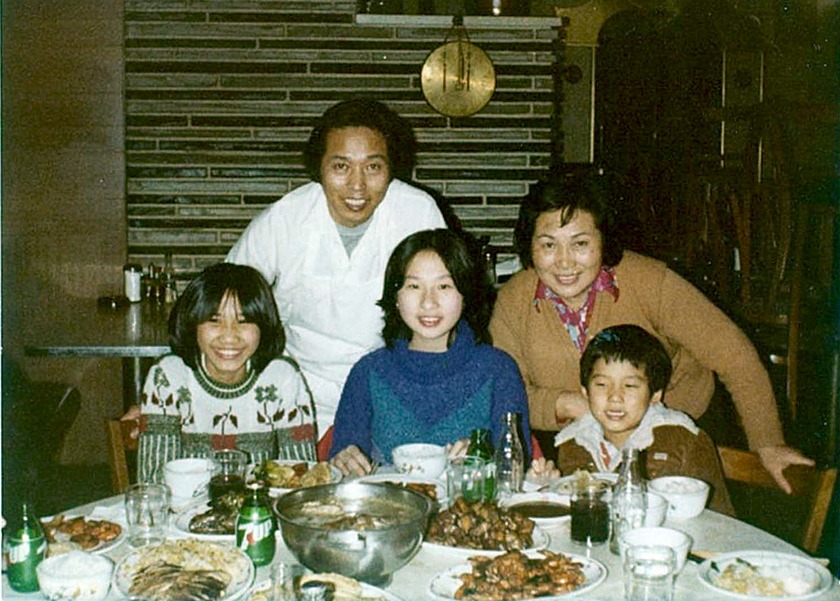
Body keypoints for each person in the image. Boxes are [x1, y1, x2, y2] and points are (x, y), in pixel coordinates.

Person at [489, 173, 813, 493]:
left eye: (581, 244)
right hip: (578, 446)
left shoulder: (649, 281)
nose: (564, 262)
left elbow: (734, 355)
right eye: (548, 245)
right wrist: (571, 404)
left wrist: (768, 442)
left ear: (604, 240)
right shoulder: (513, 300)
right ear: (529, 246)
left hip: (681, 436)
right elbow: (504, 391)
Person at [226, 98, 446, 439]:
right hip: (297, 397)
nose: (357, 186)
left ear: (391, 168)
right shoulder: (285, 219)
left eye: (373, 167)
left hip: (392, 393)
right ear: (319, 168)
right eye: (341, 167)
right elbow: (222, 301)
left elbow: (447, 309)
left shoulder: (417, 213)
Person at [328, 229, 532, 476]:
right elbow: (342, 461)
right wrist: (343, 459)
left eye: (444, 286)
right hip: (387, 510)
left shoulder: (498, 369)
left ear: (465, 294)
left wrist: (483, 458)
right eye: (414, 286)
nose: (428, 303)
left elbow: (517, 466)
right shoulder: (369, 372)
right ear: (395, 296)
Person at [136, 263, 317, 483]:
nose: (230, 336)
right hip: (184, 512)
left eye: (244, 322)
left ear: (263, 326)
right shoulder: (169, 377)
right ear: (193, 324)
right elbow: (153, 481)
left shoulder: (281, 378)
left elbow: (301, 480)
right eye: (214, 321)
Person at [555, 324, 734, 514]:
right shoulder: (572, 444)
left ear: (655, 394)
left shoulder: (684, 441)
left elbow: (721, 520)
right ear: (585, 392)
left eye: (630, 385)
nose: (615, 397)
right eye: (601, 384)